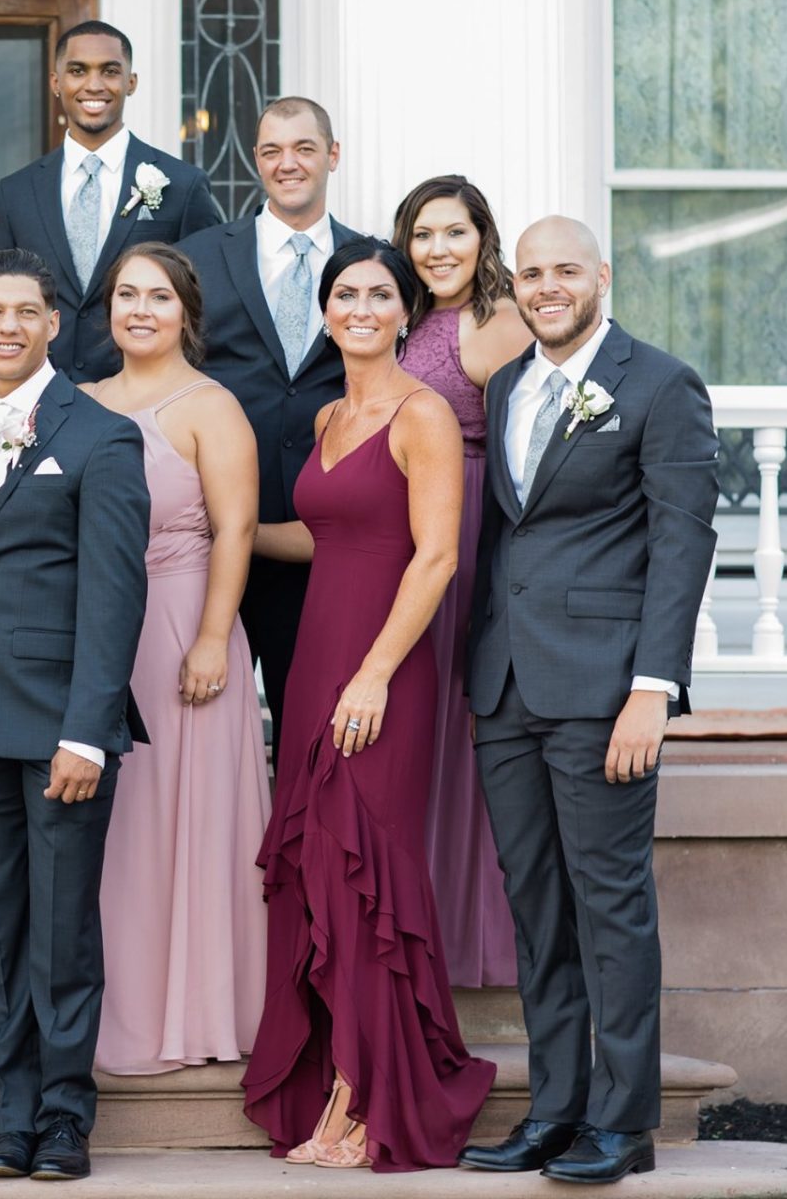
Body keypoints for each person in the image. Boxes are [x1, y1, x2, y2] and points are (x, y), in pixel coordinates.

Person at [459, 217, 717, 1183]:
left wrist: (654, 689)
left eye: (566, 269)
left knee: (611, 906)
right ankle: (557, 1109)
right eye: (531, 274)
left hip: (607, 689)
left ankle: (625, 1120)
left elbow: (682, 543)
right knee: (536, 910)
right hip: (506, 688)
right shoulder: (509, 385)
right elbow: (507, 543)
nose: (547, 286)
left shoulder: (659, 384)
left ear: (601, 276)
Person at [241, 236, 494, 1171]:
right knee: (316, 873)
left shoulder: (421, 414)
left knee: (364, 879)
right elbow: (327, 538)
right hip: (314, 664)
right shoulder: (327, 419)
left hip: (382, 672)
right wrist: (216, 529)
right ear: (327, 309)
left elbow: (434, 555)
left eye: (377, 293)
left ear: (403, 311)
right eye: (343, 293)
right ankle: (338, 1081)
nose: (358, 307)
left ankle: (370, 1099)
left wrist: (377, 672)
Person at [0, 248, 150, 1182]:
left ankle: (62, 1118)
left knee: (59, 930)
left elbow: (115, 596)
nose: (7, 325)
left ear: (54, 325)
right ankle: (11, 1118)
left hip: (60, 726)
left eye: (25, 311)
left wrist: (89, 730)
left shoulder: (99, 436)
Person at [79, 244, 268, 1076]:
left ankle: (196, 1014)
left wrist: (212, 638)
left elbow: (235, 528)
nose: (141, 309)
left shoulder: (210, 406)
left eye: (158, 295)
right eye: (126, 295)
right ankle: (122, 1008)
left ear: (186, 312)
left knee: (186, 821)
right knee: (122, 831)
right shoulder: (79, 400)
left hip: (187, 619)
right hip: (102, 633)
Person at [179, 96, 361, 755]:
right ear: (256, 160)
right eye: (272, 150)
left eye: (305, 148)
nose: (288, 164)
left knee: (315, 735)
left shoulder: (371, 264)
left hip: (326, 541)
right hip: (211, 537)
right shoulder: (198, 256)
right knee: (203, 731)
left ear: (332, 156)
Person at [390, 174, 531, 990]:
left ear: (484, 237)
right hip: (408, 530)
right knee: (423, 730)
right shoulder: (414, 319)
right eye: (422, 235)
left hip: (469, 531)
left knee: (462, 727)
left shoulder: (498, 320)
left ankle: (472, 938)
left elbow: (526, 456)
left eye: (454, 233)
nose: (437, 250)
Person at [0, 21, 223, 383]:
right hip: (41, 396)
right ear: (56, 83)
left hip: (147, 396)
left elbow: (205, 303)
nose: (94, 85)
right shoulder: (16, 191)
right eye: (77, 70)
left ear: (130, 82)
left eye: (110, 71)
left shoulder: (183, 185)